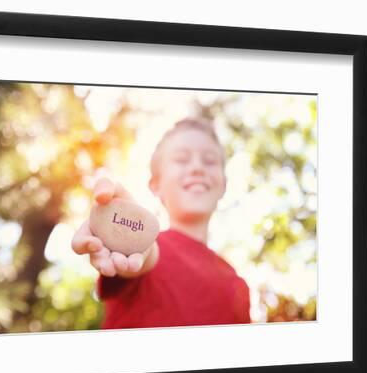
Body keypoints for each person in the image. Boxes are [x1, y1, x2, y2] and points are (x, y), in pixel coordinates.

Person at [71, 117, 251, 329]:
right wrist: (128, 239)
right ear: (156, 185)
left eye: (210, 161)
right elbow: (143, 257)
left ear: (223, 185)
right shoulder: (150, 247)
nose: (197, 168)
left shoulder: (238, 285)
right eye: (182, 159)